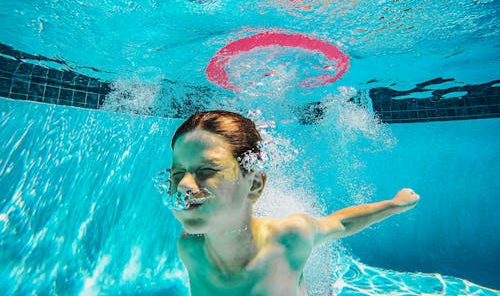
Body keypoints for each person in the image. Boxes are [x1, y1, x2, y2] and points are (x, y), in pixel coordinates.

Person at [155, 110, 419, 296]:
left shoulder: (289, 239)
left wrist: (396, 204)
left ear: (255, 184)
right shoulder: (190, 249)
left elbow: (341, 222)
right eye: (177, 173)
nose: (184, 186)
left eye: (207, 170)